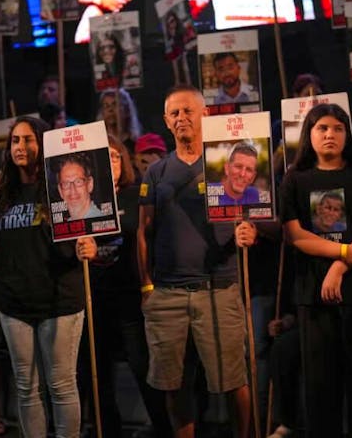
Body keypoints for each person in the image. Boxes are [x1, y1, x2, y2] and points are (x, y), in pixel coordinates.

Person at [0, 117, 98, 438]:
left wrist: (88, 247)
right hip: (14, 305)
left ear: (43, 144)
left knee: (61, 385)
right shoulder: (5, 194)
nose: (21, 146)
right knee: (26, 387)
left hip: (59, 301)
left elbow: (83, 232)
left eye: (29, 140)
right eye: (16, 140)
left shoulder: (60, 188)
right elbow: (3, 250)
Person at [137, 85, 252, 438]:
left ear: (205, 114)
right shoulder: (156, 172)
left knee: (233, 380)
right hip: (168, 293)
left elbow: (257, 212)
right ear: (166, 121)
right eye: (174, 113)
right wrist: (147, 286)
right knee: (174, 383)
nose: (181, 118)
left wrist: (250, 231)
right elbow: (143, 231)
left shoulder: (226, 164)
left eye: (188, 110)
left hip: (219, 288)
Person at [279, 102, 352, 437]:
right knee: (320, 387)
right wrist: (343, 250)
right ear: (309, 134)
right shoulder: (295, 180)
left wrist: (340, 265)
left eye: (338, 128)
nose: (330, 135)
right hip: (313, 297)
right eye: (322, 128)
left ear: (347, 134)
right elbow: (295, 235)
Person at [77, 135, 172, 438]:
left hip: (132, 296)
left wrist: (149, 287)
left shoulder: (136, 194)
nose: (110, 163)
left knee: (144, 370)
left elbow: (151, 237)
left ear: (125, 161)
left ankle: (163, 429)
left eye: (115, 156)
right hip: (94, 298)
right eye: (102, 158)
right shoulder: (81, 201)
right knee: (97, 375)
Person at [53, 152, 104, 221]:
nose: (72, 190)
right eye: (66, 184)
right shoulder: (65, 225)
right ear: (60, 191)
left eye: (78, 182)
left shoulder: (101, 221)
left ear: (90, 184)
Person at [208, 141, 261, 206]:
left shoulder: (257, 196)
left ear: (253, 177)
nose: (242, 174)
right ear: (227, 168)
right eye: (238, 166)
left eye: (249, 170)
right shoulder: (209, 192)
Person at [96, 88, 143, 155]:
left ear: (127, 110)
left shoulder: (136, 144)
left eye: (115, 104)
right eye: (106, 106)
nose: (110, 109)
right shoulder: (98, 143)